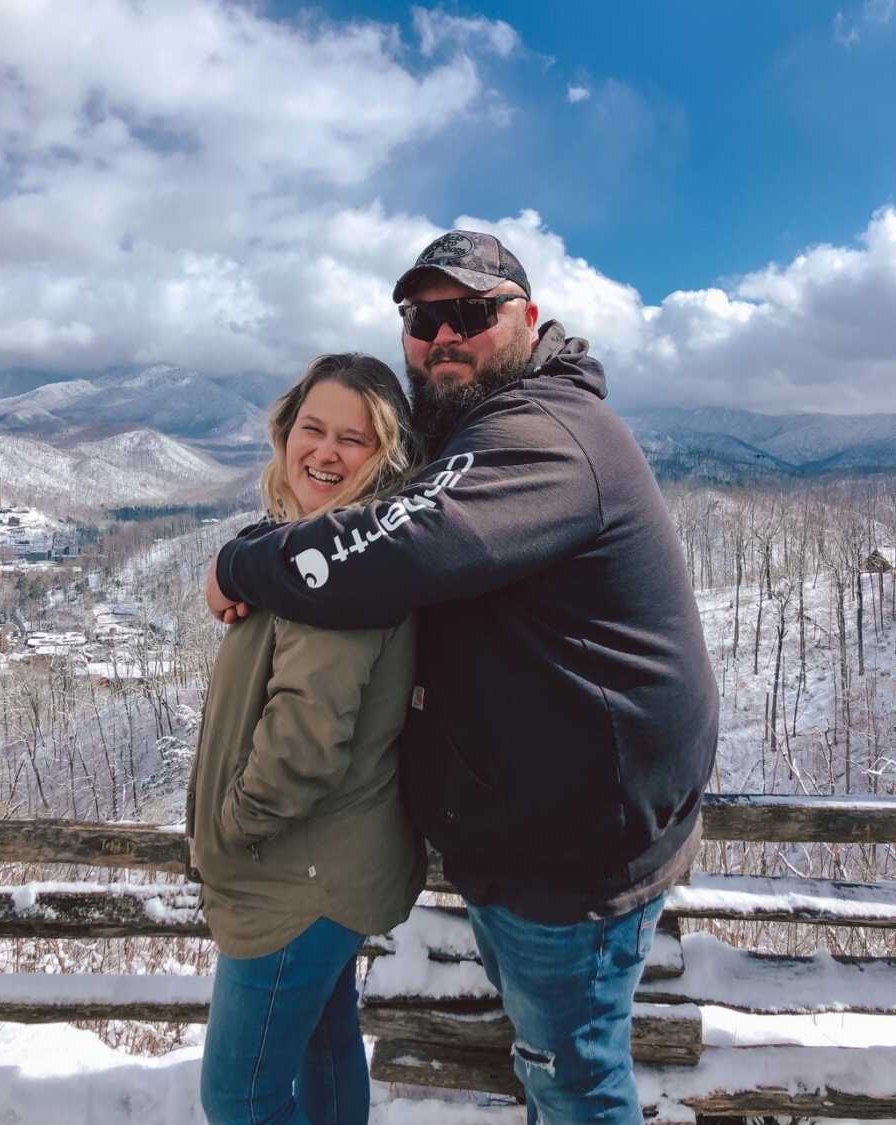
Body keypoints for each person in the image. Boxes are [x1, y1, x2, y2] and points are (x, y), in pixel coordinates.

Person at [206, 231, 720, 1123]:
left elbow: (397, 546)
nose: (442, 336)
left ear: (525, 317)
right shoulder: (485, 429)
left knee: (574, 1083)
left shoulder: (542, 432)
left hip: (576, 860)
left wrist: (242, 564)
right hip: (534, 840)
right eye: (421, 318)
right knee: (555, 1071)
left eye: (471, 313)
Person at [188, 353, 426, 1124]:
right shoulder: (318, 552)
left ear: (385, 455)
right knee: (325, 1048)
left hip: (294, 876)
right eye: (312, 428)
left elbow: (305, 740)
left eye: (352, 439)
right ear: (285, 432)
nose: (324, 451)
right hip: (329, 865)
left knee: (239, 1094)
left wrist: (232, 831)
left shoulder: (341, 573)